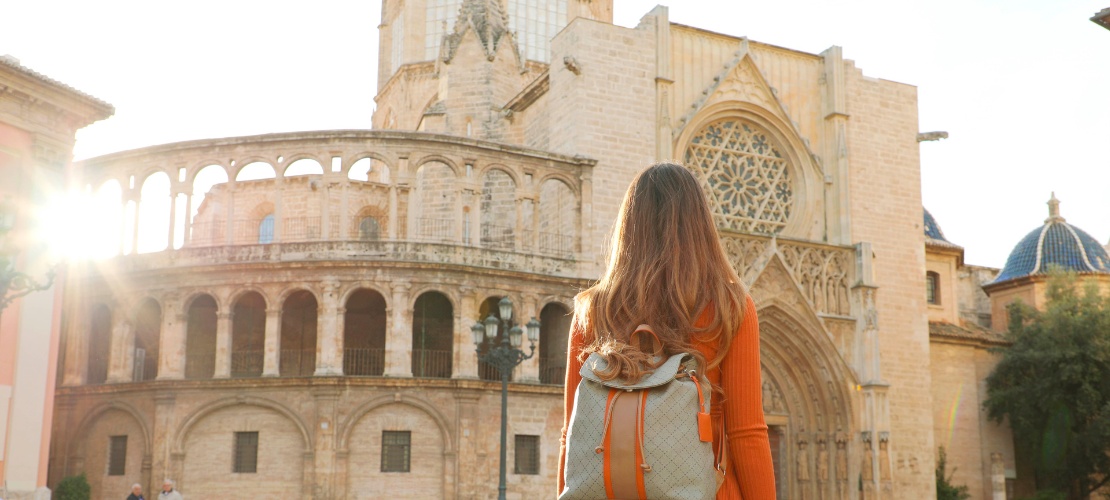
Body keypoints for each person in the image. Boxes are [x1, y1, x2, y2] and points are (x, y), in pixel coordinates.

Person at [557, 162, 776, 499]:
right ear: (700, 225)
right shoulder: (728, 306)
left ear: (629, 228)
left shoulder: (593, 310)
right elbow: (747, 434)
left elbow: (571, 433)